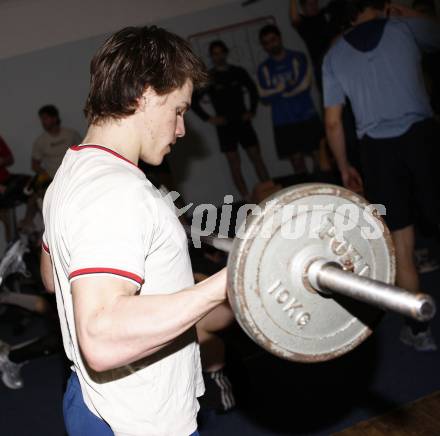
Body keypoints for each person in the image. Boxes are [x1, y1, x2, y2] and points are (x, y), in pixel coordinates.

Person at [40, 26, 227, 436]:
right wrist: (229, 280)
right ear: (144, 94)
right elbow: (102, 338)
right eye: (178, 110)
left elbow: (53, 280)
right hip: (138, 422)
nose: (181, 129)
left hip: (97, 405)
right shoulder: (116, 190)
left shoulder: (69, 173)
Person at [322, 0, 440, 351]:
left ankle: (420, 333)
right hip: (422, 138)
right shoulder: (405, 27)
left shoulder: (334, 55)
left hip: (377, 152)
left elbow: (332, 122)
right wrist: (412, 11)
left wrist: (344, 167)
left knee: (402, 244)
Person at [192, 40, 270, 200]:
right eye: (215, 54)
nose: (218, 56)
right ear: (211, 56)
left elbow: (253, 90)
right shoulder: (209, 77)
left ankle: (271, 191)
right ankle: (247, 199)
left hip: (243, 121)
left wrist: (252, 110)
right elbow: (193, 101)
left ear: (226, 53)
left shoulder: (238, 72)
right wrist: (209, 119)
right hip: (225, 126)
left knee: (256, 157)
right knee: (235, 164)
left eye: (221, 52)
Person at [257, 25, 323, 174]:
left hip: (307, 115)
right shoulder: (264, 68)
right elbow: (264, 96)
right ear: (263, 46)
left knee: (319, 157)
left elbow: (304, 84)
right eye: (266, 42)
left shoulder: (298, 57)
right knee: (297, 163)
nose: (271, 44)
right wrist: (288, 87)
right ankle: (304, 197)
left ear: (279, 38)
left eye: (273, 39)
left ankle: (325, 193)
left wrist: (279, 90)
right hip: (283, 121)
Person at [19, 106, 81, 232]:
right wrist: (46, 175)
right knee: (33, 196)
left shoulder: (71, 134)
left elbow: (83, 152)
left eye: (45, 118)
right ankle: (28, 222)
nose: (43, 122)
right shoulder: (41, 141)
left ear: (55, 118)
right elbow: (34, 165)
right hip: (51, 180)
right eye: (41, 119)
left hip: (72, 177)